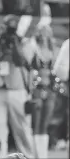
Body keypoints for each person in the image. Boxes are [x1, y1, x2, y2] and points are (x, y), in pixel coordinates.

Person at [0, 15, 35, 159]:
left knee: (23, 130)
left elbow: (20, 61)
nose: (10, 30)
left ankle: (27, 157)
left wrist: (15, 43)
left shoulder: (25, 42)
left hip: (17, 90)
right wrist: (1, 42)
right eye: (8, 26)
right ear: (4, 26)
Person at [28, 24, 57, 159]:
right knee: (36, 123)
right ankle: (35, 154)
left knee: (45, 123)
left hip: (50, 89)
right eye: (42, 31)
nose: (45, 34)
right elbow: (29, 69)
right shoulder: (34, 49)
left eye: (47, 31)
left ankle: (43, 154)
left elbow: (57, 70)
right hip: (37, 89)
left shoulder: (53, 50)